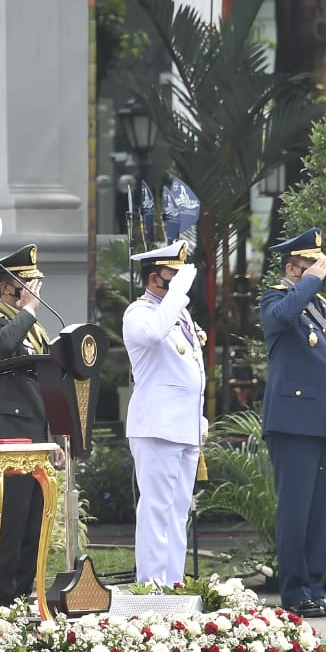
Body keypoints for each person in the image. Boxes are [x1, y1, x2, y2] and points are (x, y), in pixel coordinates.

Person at [260, 227, 326, 619]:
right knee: (295, 511)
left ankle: (314, 588)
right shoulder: (276, 299)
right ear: (292, 268)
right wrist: (310, 283)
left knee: (317, 512)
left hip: (321, 420)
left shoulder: (320, 306)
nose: (319, 271)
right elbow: (281, 318)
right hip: (293, 421)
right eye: (311, 264)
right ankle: (294, 593)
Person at [122, 239, 205, 587]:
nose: (182, 278)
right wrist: (178, 293)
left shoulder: (178, 312)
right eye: (175, 272)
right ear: (156, 277)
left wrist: (199, 417)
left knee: (177, 511)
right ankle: (152, 586)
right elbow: (155, 334)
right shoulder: (139, 313)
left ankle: (173, 584)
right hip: (157, 427)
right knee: (156, 510)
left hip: (184, 427)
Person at [0, 244, 52, 605]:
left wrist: (58, 439)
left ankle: (24, 595)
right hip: (12, 435)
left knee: (34, 525)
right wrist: (30, 311)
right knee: (12, 521)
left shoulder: (36, 329)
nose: (37, 289)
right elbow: (1, 348)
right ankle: (2, 599)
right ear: (9, 288)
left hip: (38, 436)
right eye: (29, 282)